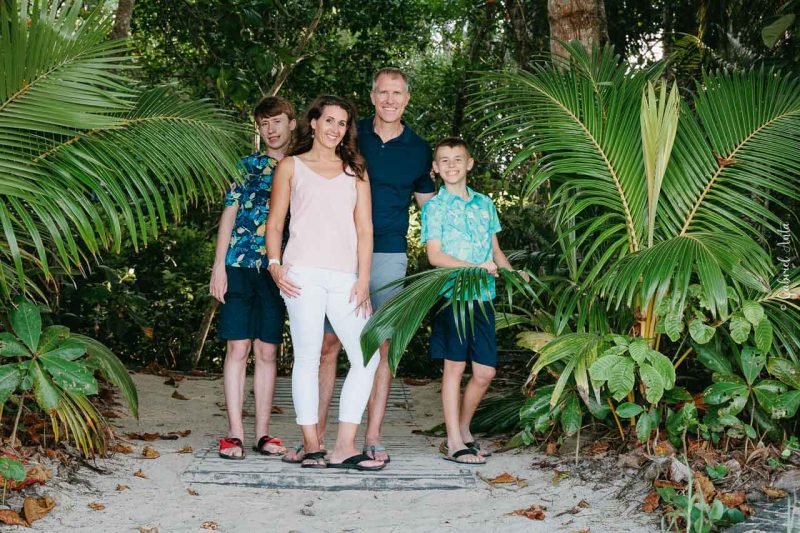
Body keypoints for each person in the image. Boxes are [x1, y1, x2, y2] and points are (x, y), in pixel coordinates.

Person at [283, 68, 435, 464]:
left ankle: (371, 437)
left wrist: (457, 253)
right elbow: (306, 172)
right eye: (383, 92)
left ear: (406, 99)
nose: (390, 100)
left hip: (387, 254)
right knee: (327, 346)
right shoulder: (350, 133)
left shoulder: (419, 149)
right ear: (372, 96)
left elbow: (431, 210)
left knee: (379, 346)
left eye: (397, 93)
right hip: (334, 256)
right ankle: (312, 438)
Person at [265, 95, 384, 471]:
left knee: (368, 355)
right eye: (328, 120)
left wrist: (363, 278)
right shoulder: (290, 166)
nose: (335, 129)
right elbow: (275, 222)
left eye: (342, 123)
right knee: (308, 356)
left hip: (345, 278)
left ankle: (344, 446)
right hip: (301, 275)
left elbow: (365, 230)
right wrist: (274, 264)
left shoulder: (356, 172)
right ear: (313, 123)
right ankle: (313, 445)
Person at [421, 137, 526, 464]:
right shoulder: (434, 208)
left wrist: (512, 273)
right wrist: (475, 267)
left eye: (457, 159)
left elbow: (495, 252)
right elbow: (435, 256)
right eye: (444, 161)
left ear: (469, 164)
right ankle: (454, 442)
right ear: (435, 169)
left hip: (482, 298)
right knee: (454, 367)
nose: (451, 165)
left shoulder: (484, 205)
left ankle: (464, 428)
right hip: (451, 296)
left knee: (484, 373)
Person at [209, 96, 296, 459]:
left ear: (292, 123)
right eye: (264, 124)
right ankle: (234, 433)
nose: (271, 130)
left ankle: (263, 434)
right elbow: (229, 215)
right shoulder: (245, 166)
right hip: (240, 265)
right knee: (237, 347)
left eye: (277, 121)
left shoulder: (302, 166)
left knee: (267, 350)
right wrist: (218, 266)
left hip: (280, 270)